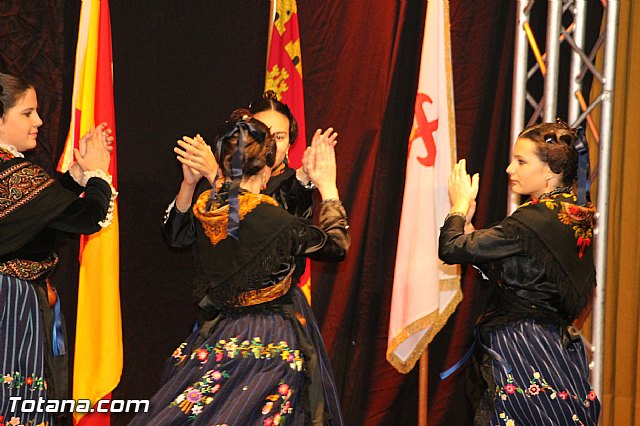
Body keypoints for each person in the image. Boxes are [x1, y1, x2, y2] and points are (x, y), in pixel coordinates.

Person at [132, 113, 349, 425]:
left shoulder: (207, 206)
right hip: (269, 338)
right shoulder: (270, 219)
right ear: (266, 168)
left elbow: (234, 211)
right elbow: (336, 246)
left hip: (223, 331)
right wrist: (328, 188)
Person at [438, 120, 600, 425]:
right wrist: (471, 228)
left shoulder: (535, 219)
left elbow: (451, 248)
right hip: (554, 349)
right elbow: (517, 270)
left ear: (550, 171)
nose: (510, 169)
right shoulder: (570, 213)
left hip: (522, 346)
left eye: (522, 161)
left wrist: (458, 207)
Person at [0, 72, 116, 425]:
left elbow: (35, 218)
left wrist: (77, 176)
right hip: (11, 306)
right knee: (18, 399)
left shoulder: (14, 176)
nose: (38, 121)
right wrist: (98, 175)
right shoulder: (15, 174)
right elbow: (87, 220)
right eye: (26, 113)